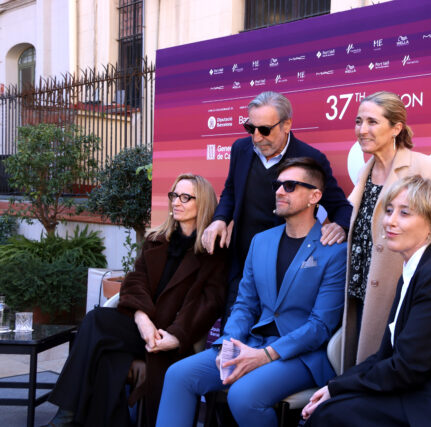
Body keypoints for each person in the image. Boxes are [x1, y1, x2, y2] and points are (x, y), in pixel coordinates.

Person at [302, 176, 431, 427]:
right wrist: (334, 387)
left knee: (331, 415)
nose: (390, 221)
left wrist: (339, 389)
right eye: (389, 210)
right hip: (430, 383)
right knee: (332, 408)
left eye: (405, 213)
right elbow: (387, 355)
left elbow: (408, 367)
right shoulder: (419, 266)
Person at [156, 157, 346, 427]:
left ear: (314, 196)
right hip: (251, 343)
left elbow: (320, 326)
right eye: (278, 185)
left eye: (290, 186)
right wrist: (229, 344)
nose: (279, 191)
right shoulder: (261, 241)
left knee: (243, 396)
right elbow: (244, 304)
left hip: (301, 356)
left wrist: (265, 355)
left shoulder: (334, 251)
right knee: (179, 375)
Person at [42, 173, 228, 427]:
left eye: (186, 197)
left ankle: (67, 416)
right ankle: (67, 416)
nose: (176, 202)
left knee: (106, 350)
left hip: (169, 338)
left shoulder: (214, 252)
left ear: (203, 203)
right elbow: (134, 281)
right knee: (99, 328)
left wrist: (175, 335)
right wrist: (142, 318)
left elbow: (209, 303)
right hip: (139, 327)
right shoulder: (156, 240)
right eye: (174, 195)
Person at [341, 91, 431, 372]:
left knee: (388, 368)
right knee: (360, 365)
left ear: (396, 128)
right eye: (359, 121)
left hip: (396, 290)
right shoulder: (365, 172)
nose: (362, 130)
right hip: (360, 290)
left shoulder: (422, 167)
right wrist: (336, 227)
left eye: (372, 122)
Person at [201, 91, 352, 321]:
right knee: (232, 333)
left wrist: (341, 226)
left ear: (286, 125)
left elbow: (340, 206)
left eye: (264, 130)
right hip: (242, 266)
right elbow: (231, 190)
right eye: (251, 128)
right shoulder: (240, 149)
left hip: (283, 275)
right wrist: (220, 219)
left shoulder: (310, 158)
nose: (256, 138)